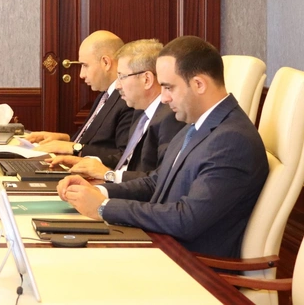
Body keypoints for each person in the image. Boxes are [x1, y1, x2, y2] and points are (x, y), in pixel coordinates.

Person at [57, 36, 269, 257]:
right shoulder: (197, 124)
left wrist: (104, 207)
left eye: (169, 87)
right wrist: (98, 191)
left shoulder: (231, 140)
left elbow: (186, 219)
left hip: (190, 264)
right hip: (161, 244)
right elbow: (157, 182)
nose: (164, 98)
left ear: (199, 84)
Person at [47, 39, 183, 182]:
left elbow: (158, 181)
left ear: (146, 79)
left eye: (122, 77)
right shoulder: (141, 112)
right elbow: (127, 160)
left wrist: (108, 176)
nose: (117, 86)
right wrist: (88, 162)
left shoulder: (169, 119)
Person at [28, 30, 134, 166]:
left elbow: (123, 157)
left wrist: (73, 147)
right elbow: (89, 139)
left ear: (106, 62)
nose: (81, 75)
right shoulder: (105, 95)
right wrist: (63, 139)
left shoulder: (127, 100)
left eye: (85, 65)